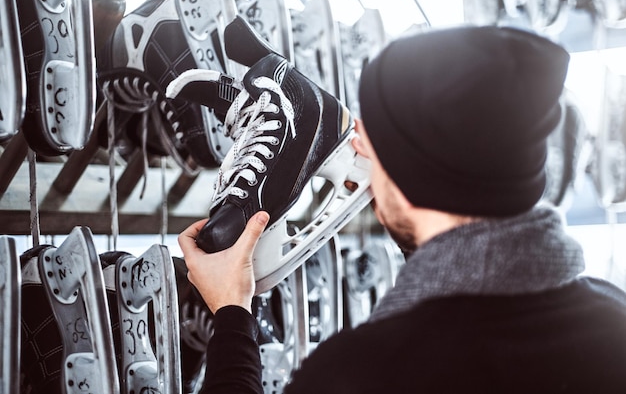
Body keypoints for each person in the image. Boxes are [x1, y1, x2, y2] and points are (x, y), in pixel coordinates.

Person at [178, 25, 626, 393]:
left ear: (418, 172)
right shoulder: (612, 321)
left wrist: (232, 315)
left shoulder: (365, 374)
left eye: (372, 132)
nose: (356, 140)